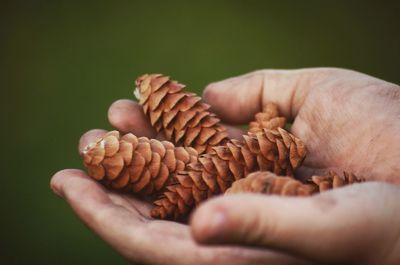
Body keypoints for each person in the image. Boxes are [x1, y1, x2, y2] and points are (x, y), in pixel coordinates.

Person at [51, 68, 400, 265]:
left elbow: (225, 164)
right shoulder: (249, 154)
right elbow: (225, 164)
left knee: (218, 163)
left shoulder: (253, 154)